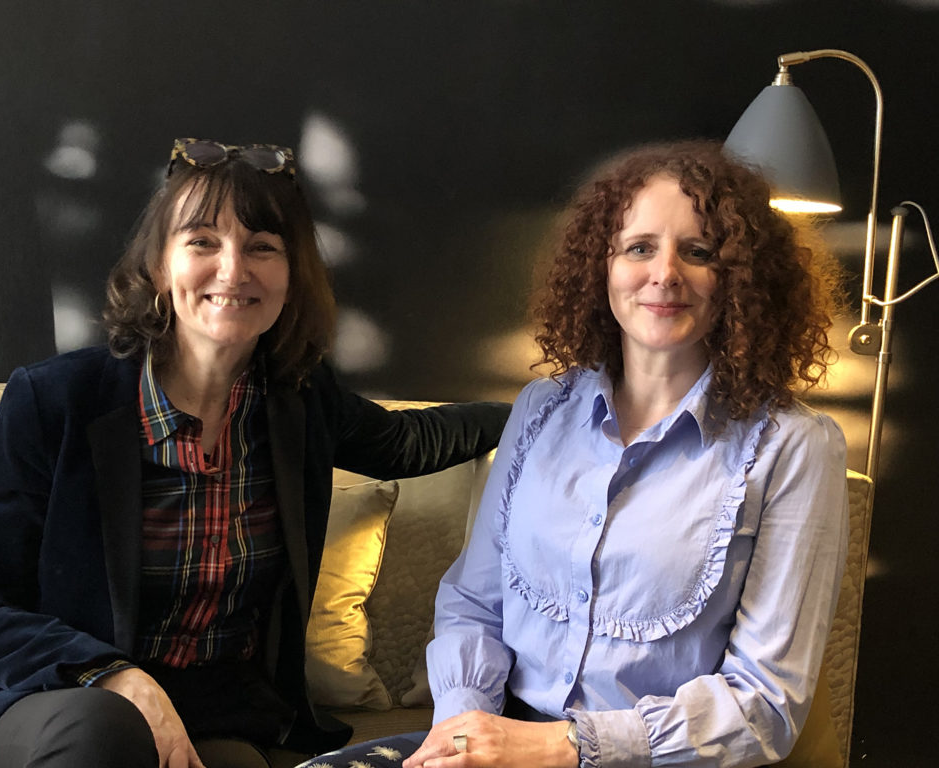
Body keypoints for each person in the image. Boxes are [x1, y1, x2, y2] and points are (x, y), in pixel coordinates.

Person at [0, 138, 511, 768]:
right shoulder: (56, 399)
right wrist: (117, 676)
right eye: (202, 241)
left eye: (262, 247)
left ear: (291, 275)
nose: (233, 270)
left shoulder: (297, 402)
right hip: (50, 694)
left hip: (214, 708)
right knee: (103, 732)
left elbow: (410, 442)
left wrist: (544, 409)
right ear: (159, 264)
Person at [299, 141, 848, 768]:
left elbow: (765, 706)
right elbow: (474, 603)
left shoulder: (796, 448)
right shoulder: (540, 410)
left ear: (741, 280)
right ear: (601, 267)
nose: (664, 272)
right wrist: (462, 732)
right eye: (639, 247)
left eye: (697, 252)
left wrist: (559, 747)